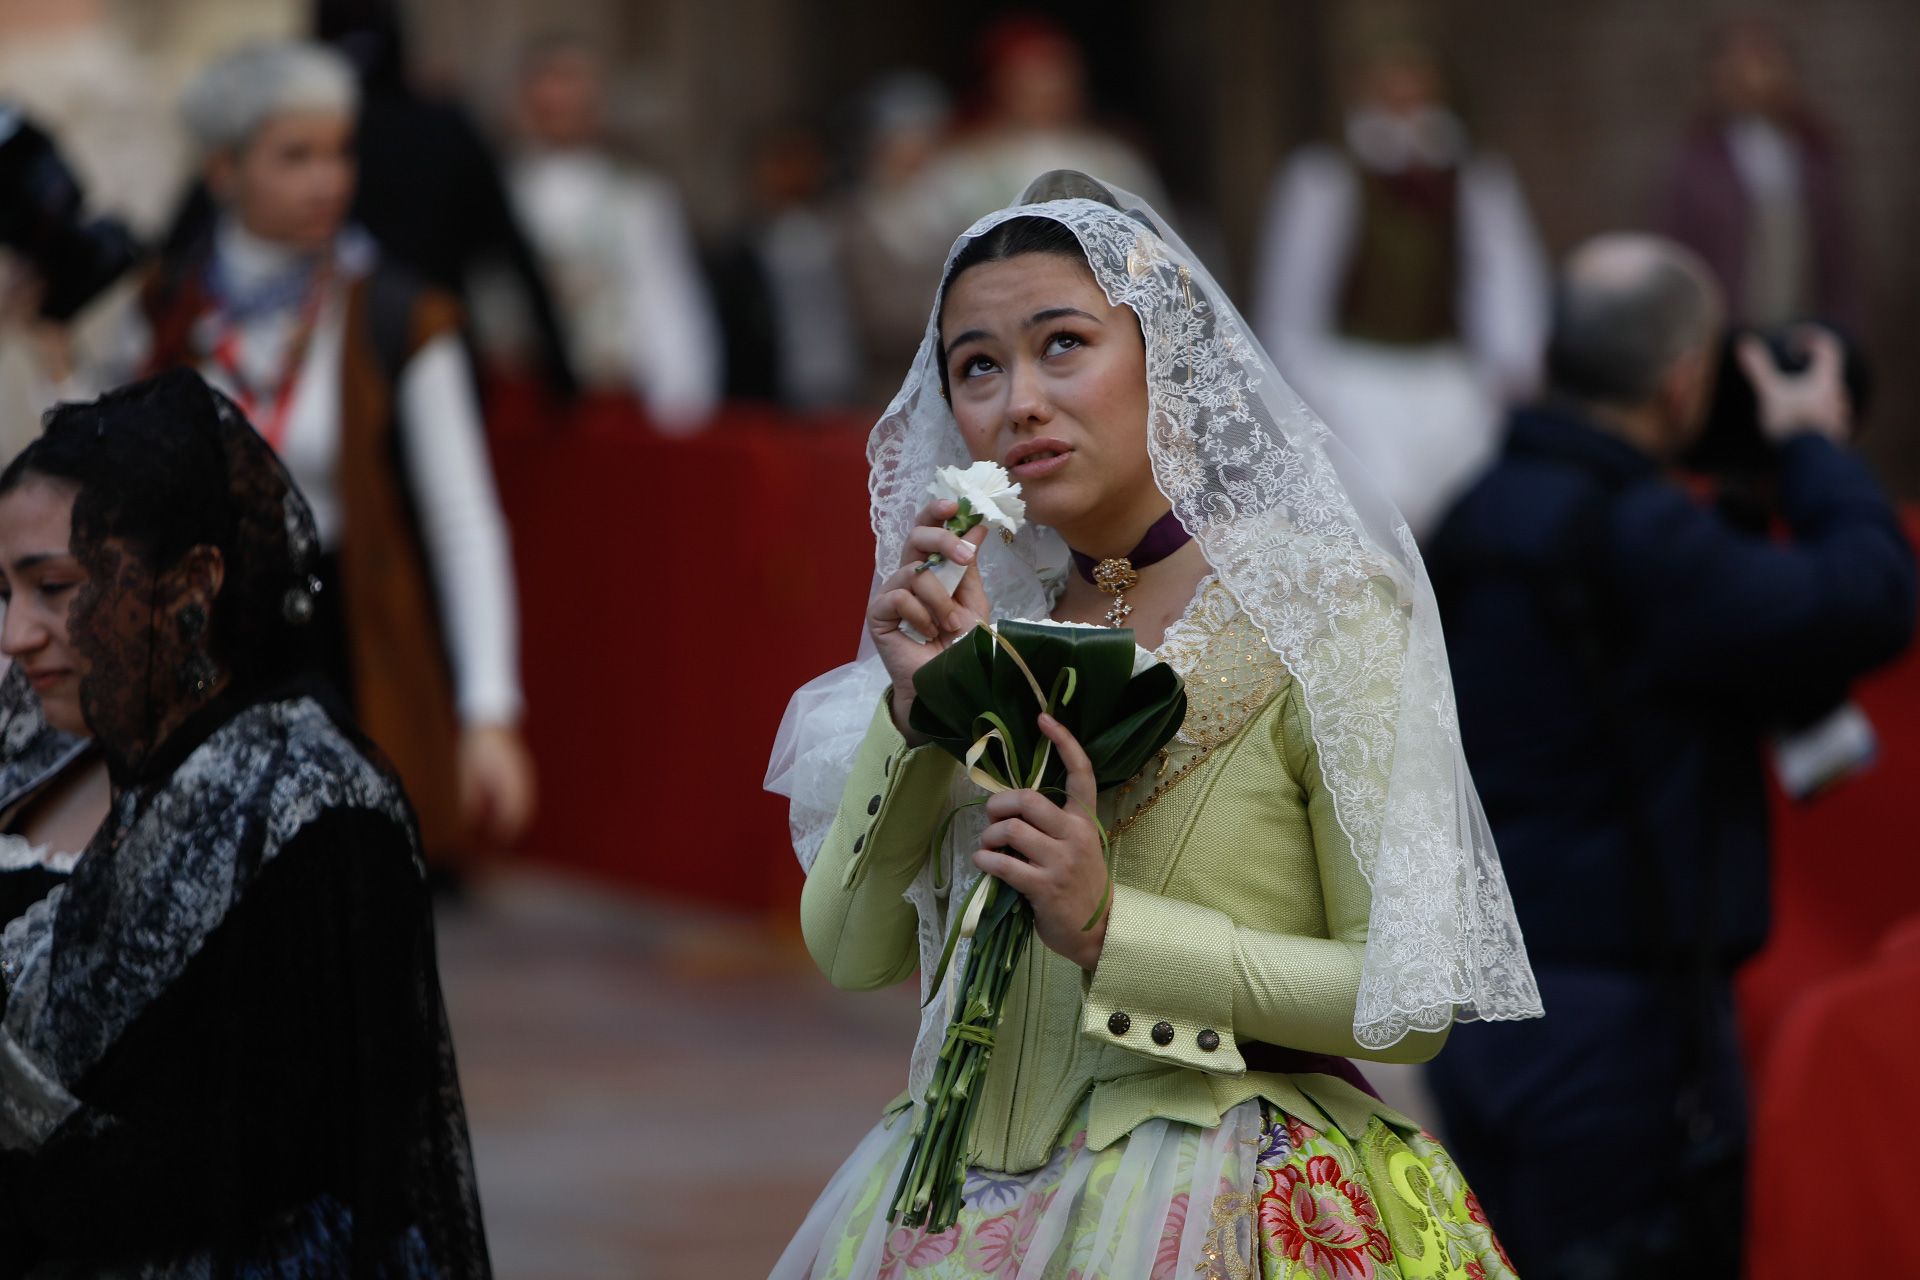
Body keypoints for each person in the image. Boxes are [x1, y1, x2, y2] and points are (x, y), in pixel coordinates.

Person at [766, 170, 1540, 1278]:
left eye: (1063, 344)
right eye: (977, 365)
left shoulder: (1321, 606)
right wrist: (916, 706)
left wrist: (1111, 931)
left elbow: (1406, 1000)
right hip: (949, 1209)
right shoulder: (989, 626)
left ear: (1163, 356)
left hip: (1219, 1198)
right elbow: (850, 949)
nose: (1017, 400)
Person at [1423, 234, 1916, 1277]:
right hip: (1616, 1032)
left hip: (1478, 1011)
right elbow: (1868, 599)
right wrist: (1815, 446)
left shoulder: (1471, 514)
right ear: (1686, 377)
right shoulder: (1637, 536)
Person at [0, 368, 489, 1274]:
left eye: (56, 588)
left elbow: (277, 1165)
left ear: (191, 585)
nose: (17, 634)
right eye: (4, 593)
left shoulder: (306, 805)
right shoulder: (24, 742)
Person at [127, 40, 534, 867]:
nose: (328, 179)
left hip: (343, 659)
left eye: (341, 152)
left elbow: (465, 521)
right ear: (223, 170)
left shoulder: (395, 313)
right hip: (195, 670)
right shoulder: (167, 311)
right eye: (295, 155)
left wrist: (490, 711)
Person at [1252, 34, 1548, 541]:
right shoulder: (1324, 178)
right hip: (1355, 377)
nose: (1406, 103)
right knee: (1380, 515)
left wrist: (1511, 367)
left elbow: (1505, 278)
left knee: (1462, 507)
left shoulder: (1474, 179)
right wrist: (1300, 382)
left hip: (1447, 375)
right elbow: (1293, 293)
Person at [478, 33, 720, 433]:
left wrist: (682, 409)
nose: (561, 101)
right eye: (550, 83)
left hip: (608, 403)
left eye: (574, 84)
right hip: (519, 408)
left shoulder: (639, 199)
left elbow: (667, 302)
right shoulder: (494, 193)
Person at [1661, 19, 1858, 332]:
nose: (1752, 77)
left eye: (1763, 61)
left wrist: (1842, 331)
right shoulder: (1697, 161)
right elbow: (1676, 258)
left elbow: (1839, 260)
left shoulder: (1814, 153)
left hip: (1804, 331)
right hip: (1725, 337)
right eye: (1736, 64)